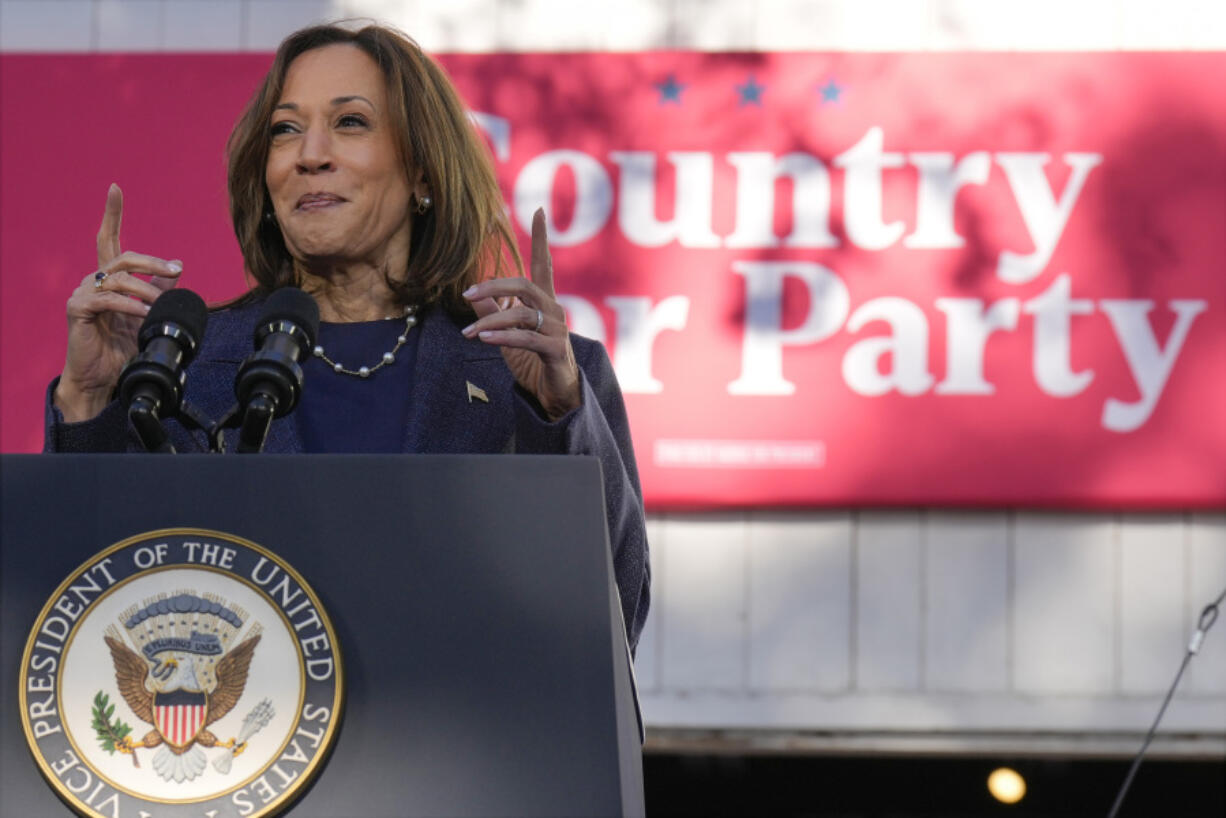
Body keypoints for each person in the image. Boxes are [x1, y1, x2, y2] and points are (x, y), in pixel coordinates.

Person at [43, 22, 649, 651]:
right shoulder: (180, 368)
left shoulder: (534, 373)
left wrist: (558, 413)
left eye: (351, 122)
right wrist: (88, 397)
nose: (310, 154)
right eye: (286, 130)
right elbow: (82, 607)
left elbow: (616, 615)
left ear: (422, 172)